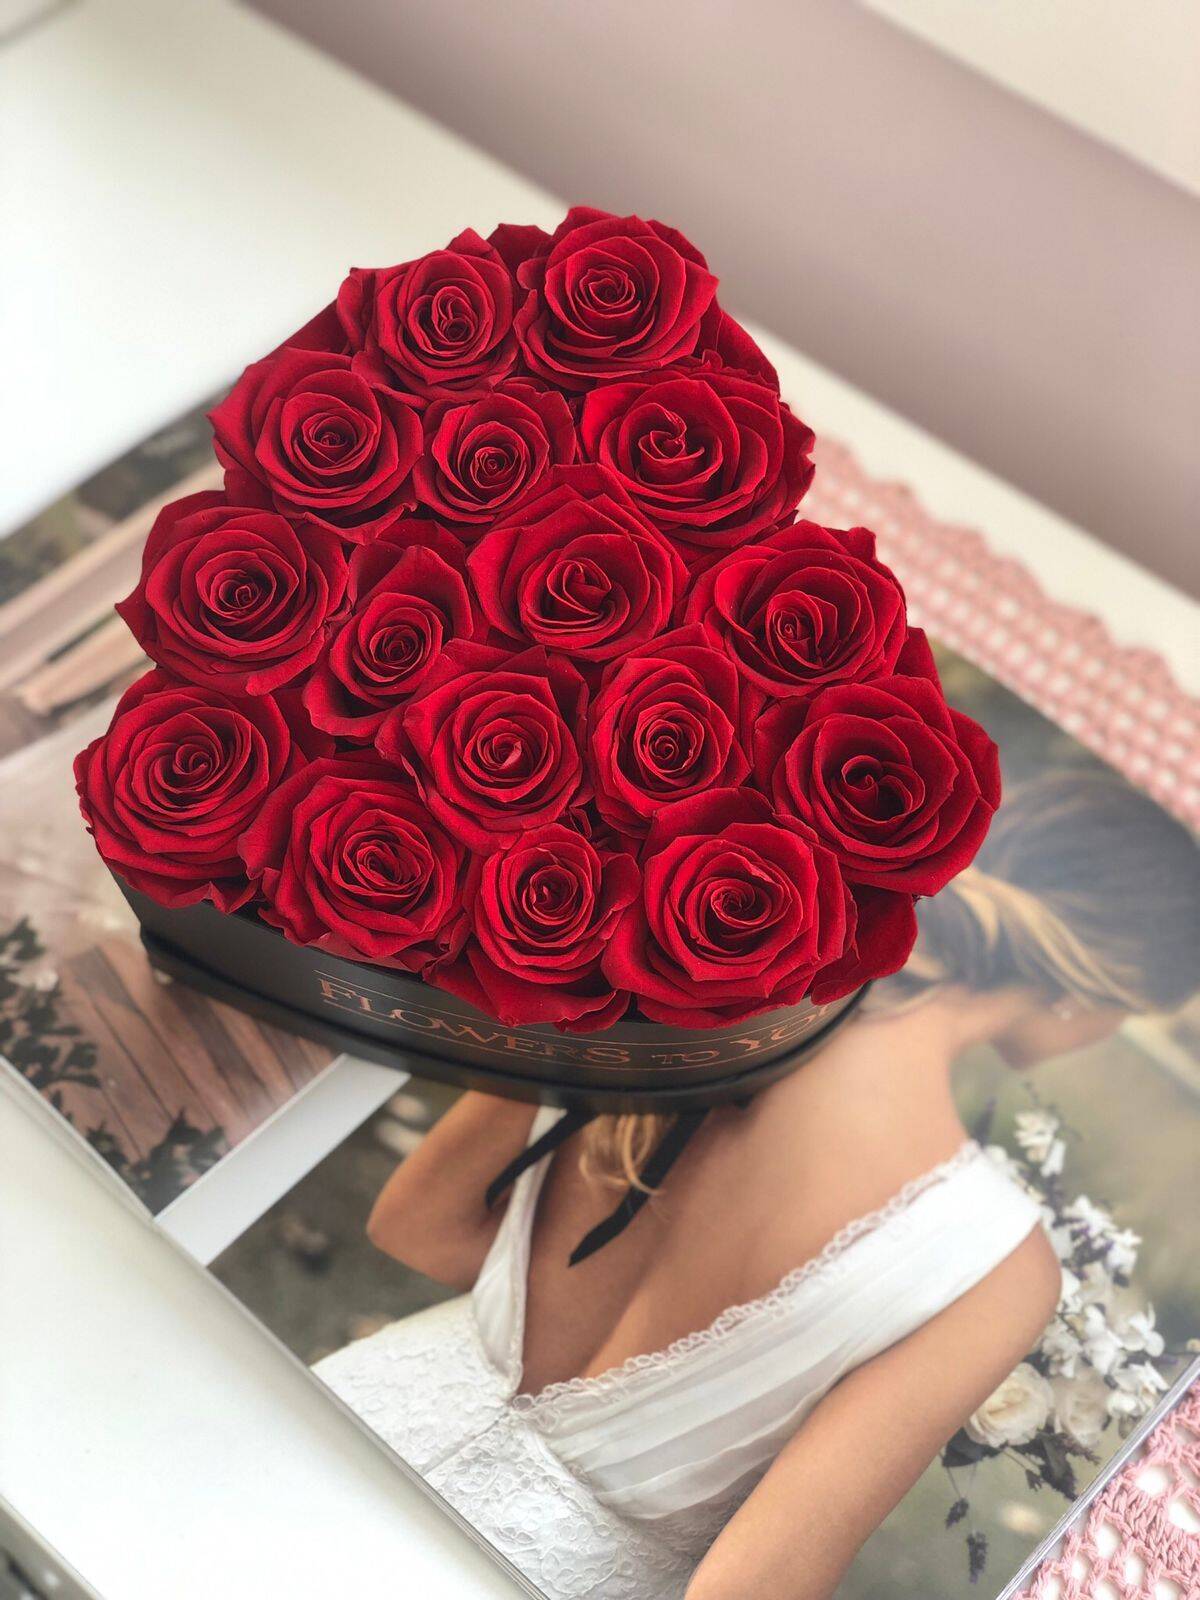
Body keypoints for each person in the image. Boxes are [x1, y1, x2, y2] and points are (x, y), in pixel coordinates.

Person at [315, 770, 1199, 1600]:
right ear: (1095, 992)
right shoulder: (998, 1267)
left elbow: (417, 1226)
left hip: (343, 1418)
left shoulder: (706, 968)